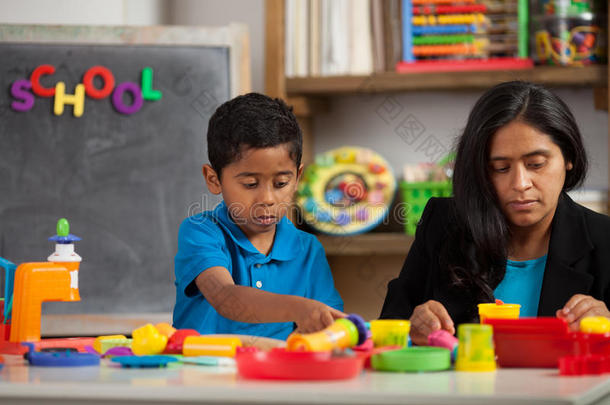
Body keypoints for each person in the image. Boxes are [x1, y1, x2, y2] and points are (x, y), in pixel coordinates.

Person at [380, 81, 610, 345]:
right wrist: (411, 329)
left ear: (568, 157)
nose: (521, 183)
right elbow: (386, 332)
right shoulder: (443, 224)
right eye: (501, 168)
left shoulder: (604, 239)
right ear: (479, 171)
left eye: (536, 164)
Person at [173, 93, 344, 340]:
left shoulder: (308, 250)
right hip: (204, 375)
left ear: (297, 178)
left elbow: (327, 326)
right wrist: (299, 308)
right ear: (213, 179)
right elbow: (225, 297)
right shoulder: (200, 232)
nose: (267, 198)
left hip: (275, 374)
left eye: (281, 182)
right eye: (251, 184)